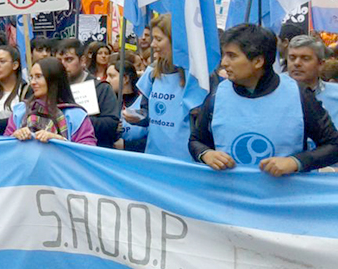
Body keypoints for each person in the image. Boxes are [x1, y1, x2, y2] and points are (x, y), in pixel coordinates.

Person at [189, 24, 338, 176]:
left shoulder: (298, 94)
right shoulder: (217, 94)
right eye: (224, 55)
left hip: (285, 197)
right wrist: (206, 154)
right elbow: (196, 140)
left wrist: (295, 162)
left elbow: (333, 145)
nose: (224, 63)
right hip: (230, 196)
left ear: (258, 61)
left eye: (232, 56)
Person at [123, 14, 199, 162]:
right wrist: (136, 117)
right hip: (154, 156)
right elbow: (147, 113)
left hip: (187, 160)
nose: (152, 45)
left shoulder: (197, 76)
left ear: (175, 41)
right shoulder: (152, 72)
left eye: (158, 39)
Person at [5, 57, 97, 145]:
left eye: (38, 76)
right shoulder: (20, 111)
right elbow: (4, 146)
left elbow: (87, 152)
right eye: (31, 77)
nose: (33, 82)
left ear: (54, 79)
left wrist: (59, 141)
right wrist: (14, 137)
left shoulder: (76, 116)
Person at [54, 38, 120, 148]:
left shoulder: (101, 88)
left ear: (82, 60)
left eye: (69, 60)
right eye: (59, 60)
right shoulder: (52, 87)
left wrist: (76, 120)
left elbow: (111, 124)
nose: (63, 65)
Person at [106, 59, 146, 152]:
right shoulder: (107, 103)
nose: (107, 80)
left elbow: (151, 137)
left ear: (125, 79)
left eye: (111, 76)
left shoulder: (143, 102)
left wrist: (127, 145)